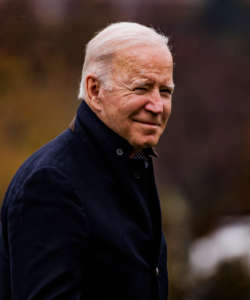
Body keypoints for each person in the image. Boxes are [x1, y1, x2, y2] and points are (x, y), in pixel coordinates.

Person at [0, 22, 174, 300]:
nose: (157, 106)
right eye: (142, 88)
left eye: (165, 91)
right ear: (94, 90)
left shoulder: (134, 162)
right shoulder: (51, 183)